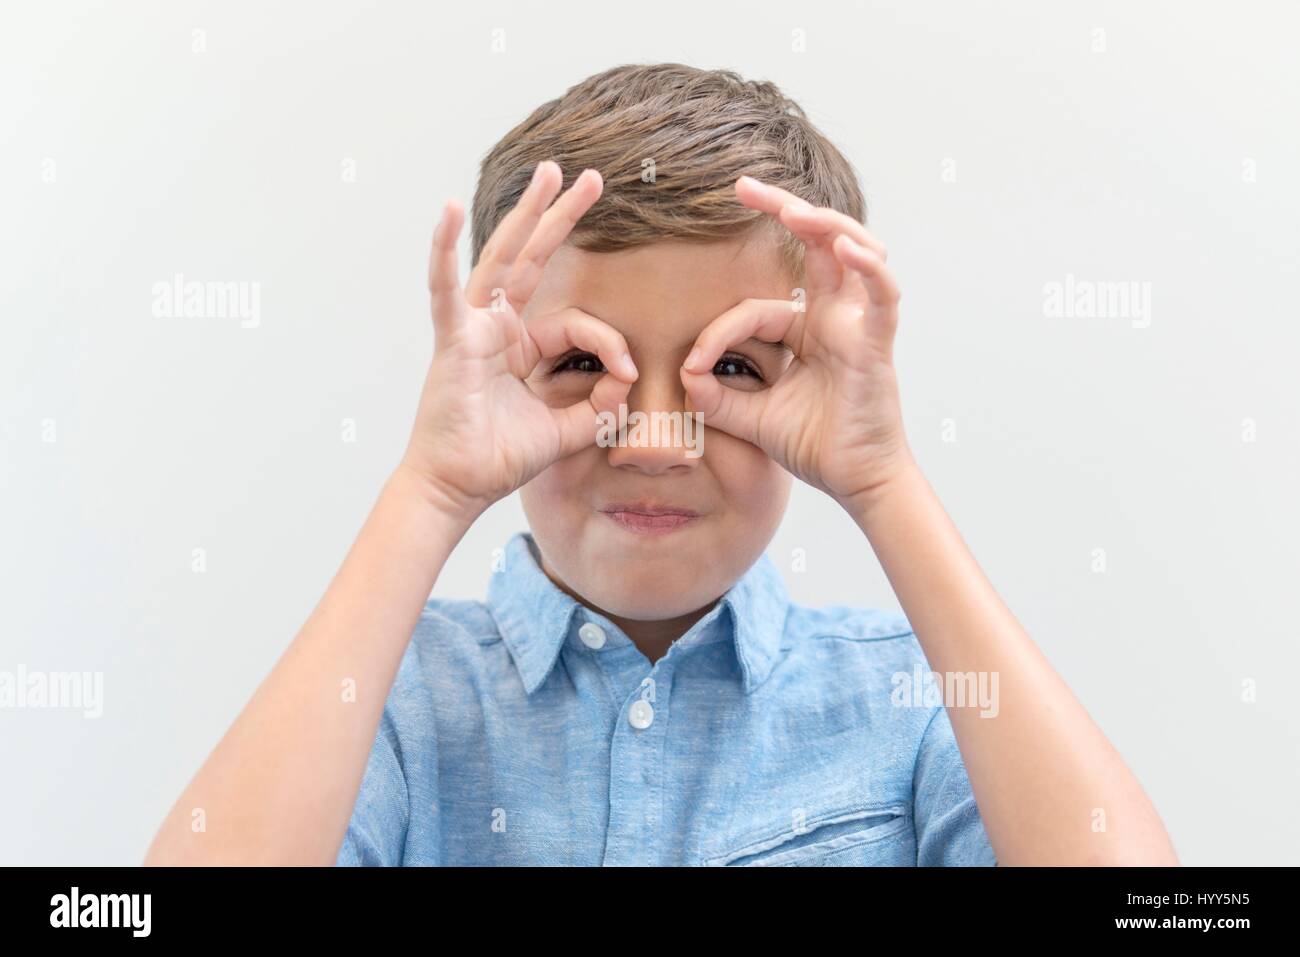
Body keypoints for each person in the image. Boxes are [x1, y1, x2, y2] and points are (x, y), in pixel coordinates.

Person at [144, 63, 1178, 866]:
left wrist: (884, 480)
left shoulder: (917, 699)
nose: (652, 439)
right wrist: (428, 489)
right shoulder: (387, 700)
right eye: (578, 364)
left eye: (731, 367)